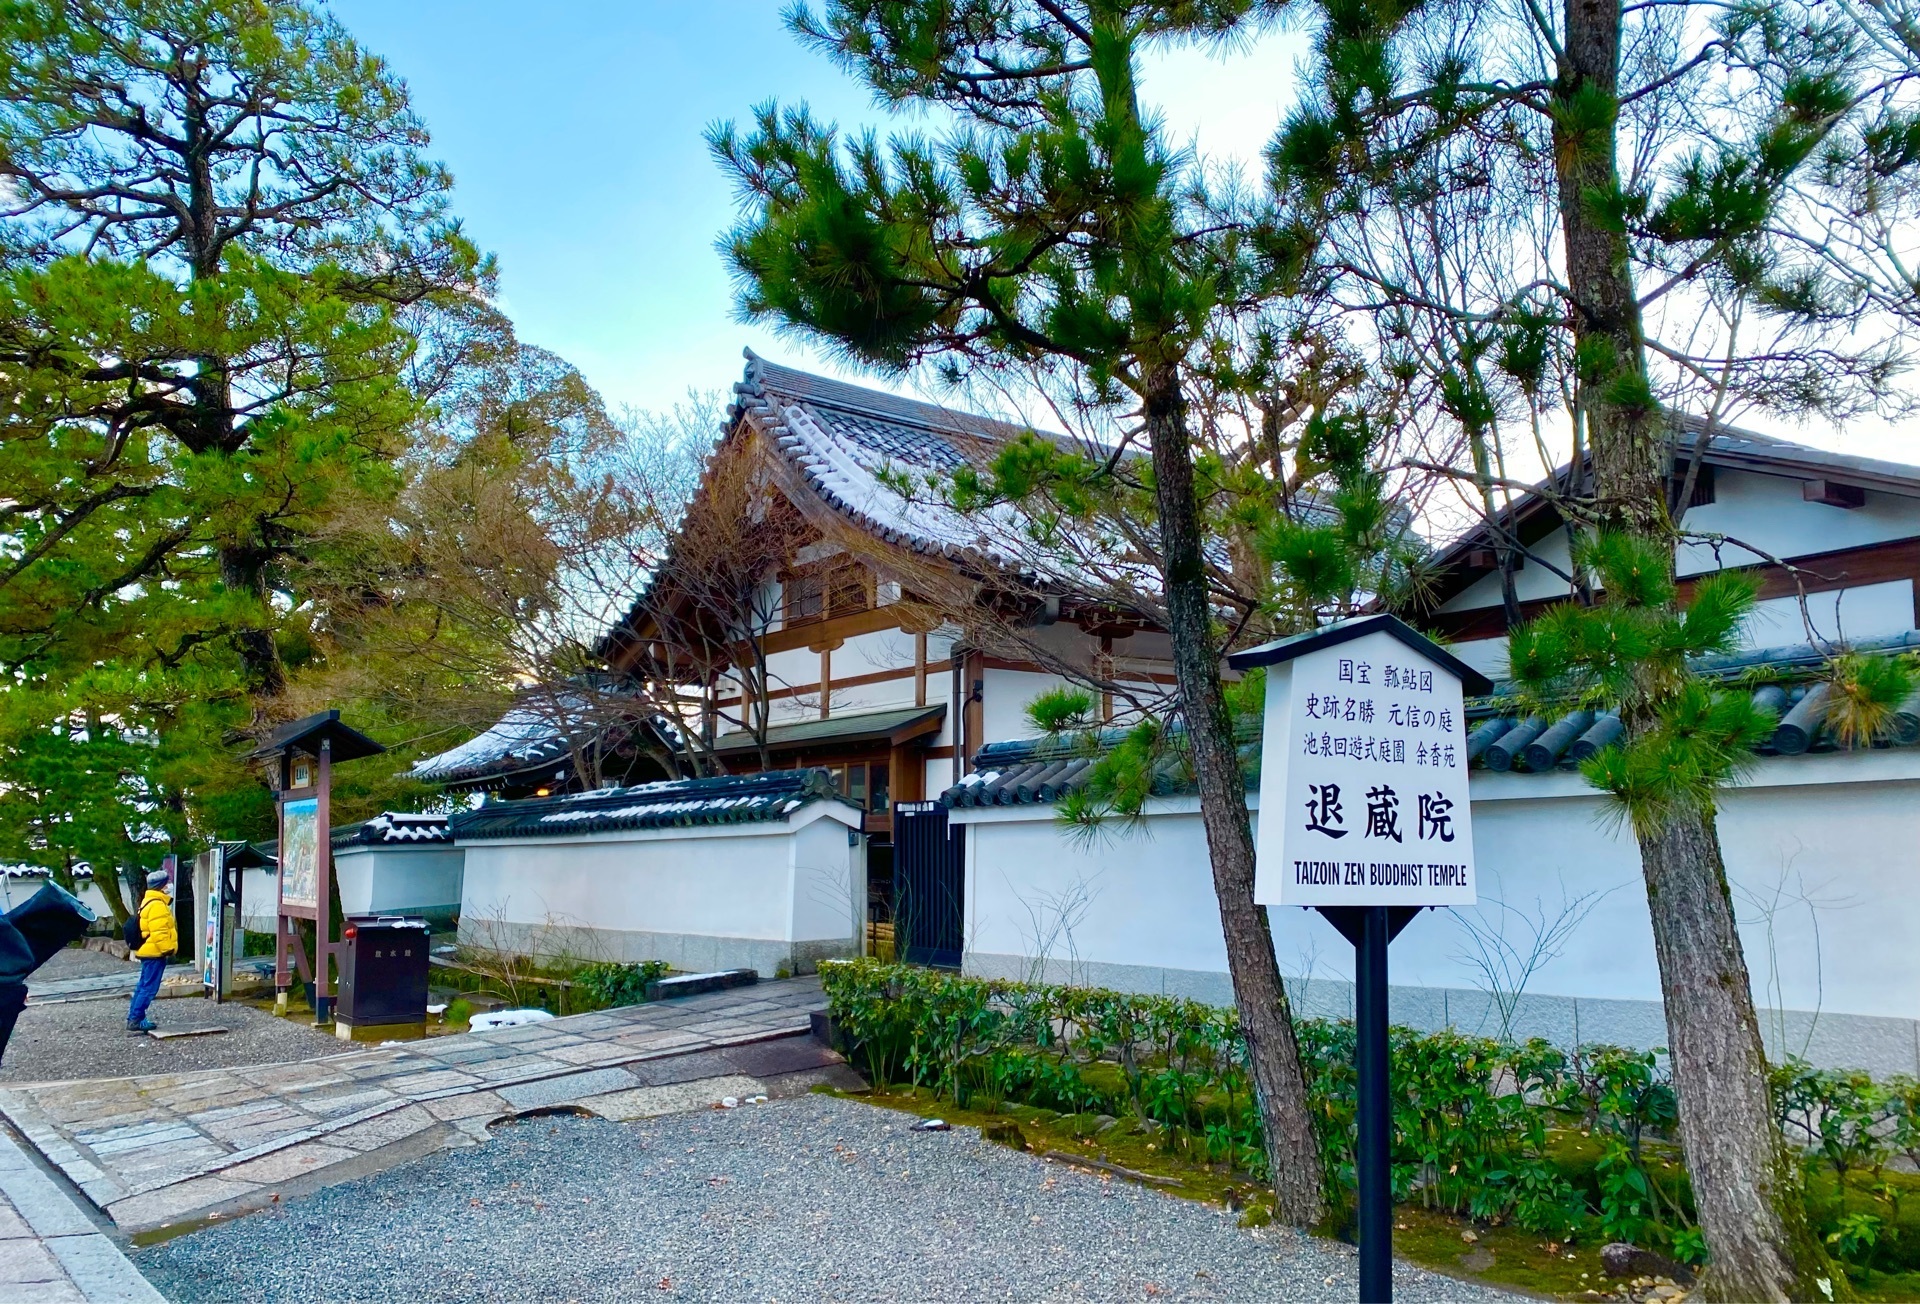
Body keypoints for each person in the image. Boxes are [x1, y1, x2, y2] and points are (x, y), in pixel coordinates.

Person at [127, 869, 177, 1032]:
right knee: (149, 988)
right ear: (161, 886)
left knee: (143, 985)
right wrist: (168, 949)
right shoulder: (157, 905)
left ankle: (135, 1017)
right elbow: (160, 931)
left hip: (148, 951)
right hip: (155, 952)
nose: (169, 886)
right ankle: (135, 1019)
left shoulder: (148, 901)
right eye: (167, 883)